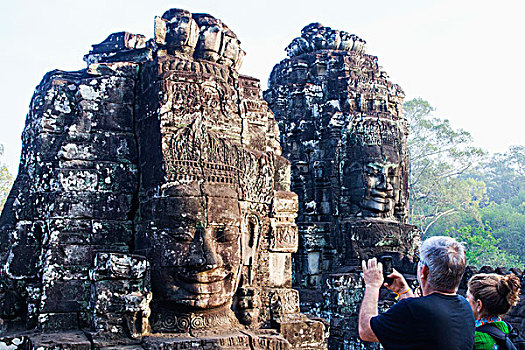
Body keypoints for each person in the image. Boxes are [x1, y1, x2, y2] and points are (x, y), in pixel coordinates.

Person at [358, 236, 475, 349]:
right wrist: (403, 290)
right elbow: (417, 324)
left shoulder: (414, 309)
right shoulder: (465, 307)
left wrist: (372, 285)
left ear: (424, 271)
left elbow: (367, 331)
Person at [467, 273, 521, 349]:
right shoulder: (506, 329)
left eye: (467, 298)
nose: (465, 301)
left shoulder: (476, 339)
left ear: (479, 304)